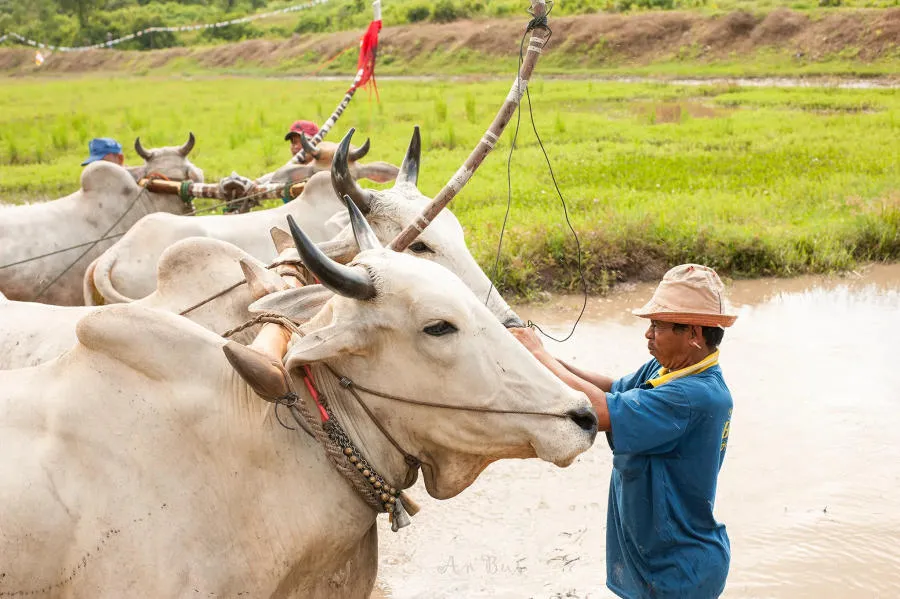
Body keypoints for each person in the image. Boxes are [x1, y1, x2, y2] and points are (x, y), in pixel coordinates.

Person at [510, 263, 738, 599]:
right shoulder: (667, 369)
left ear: (693, 333)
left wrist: (539, 354)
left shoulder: (695, 396)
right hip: (656, 560)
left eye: (657, 326)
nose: (648, 334)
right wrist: (541, 358)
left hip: (679, 571)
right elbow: (612, 390)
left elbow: (600, 410)